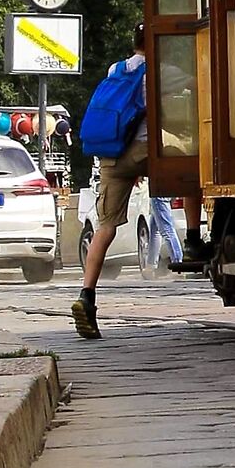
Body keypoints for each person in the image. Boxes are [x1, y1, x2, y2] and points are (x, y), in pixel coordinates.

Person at [73, 28, 149, 341]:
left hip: (113, 154)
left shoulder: (115, 70)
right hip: (148, 150)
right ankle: (195, 238)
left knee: (104, 227)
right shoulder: (160, 71)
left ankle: (86, 295)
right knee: (195, 170)